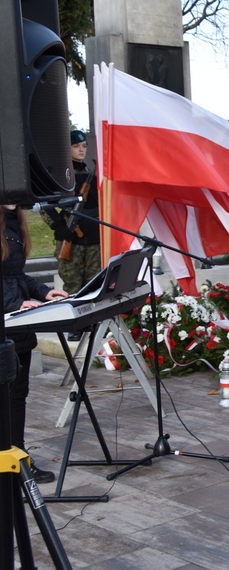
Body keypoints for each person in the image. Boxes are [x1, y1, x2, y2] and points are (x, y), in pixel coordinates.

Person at [3, 204, 69, 483]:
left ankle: (17, 460)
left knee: (17, 397)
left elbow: (16, 275)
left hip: (18, 328)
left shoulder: (13, 221)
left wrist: (44, 292)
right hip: (7, 322)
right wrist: (15, 303)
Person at [39, 130, 101, 296]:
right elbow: (45, 204)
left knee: (94, 288)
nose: (81, 150)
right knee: (73, 289)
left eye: (84, 146)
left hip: (94, 241)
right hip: (71, 241)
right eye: (76, 146)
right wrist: (60, 227)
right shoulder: (60, 176)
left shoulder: (92, 174)